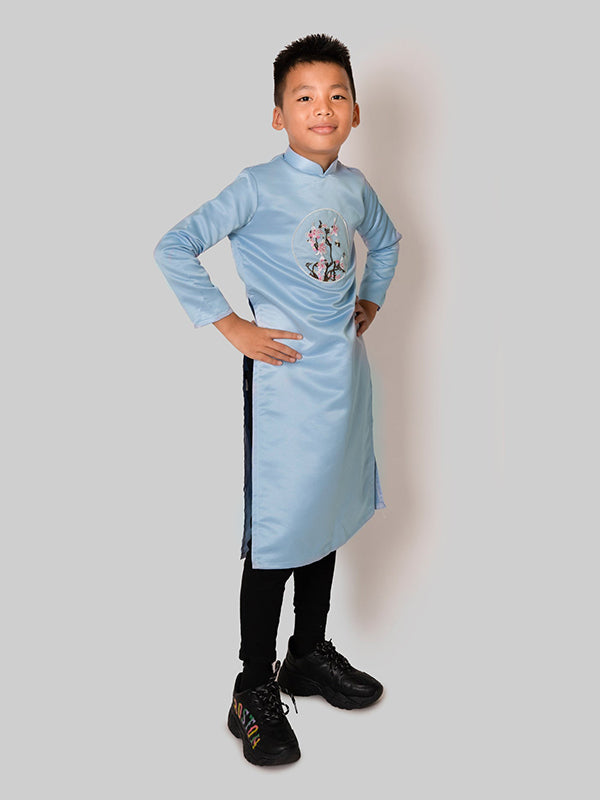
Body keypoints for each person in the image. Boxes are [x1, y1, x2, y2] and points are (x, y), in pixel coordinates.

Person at [154, 33, 402, 767]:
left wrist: (370, 299)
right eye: (304, 97)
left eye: (336, 95)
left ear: (355, 110)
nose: (322, 108)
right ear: (277, 115)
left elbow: (386, 243)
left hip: (343, 378)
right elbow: (174, 244)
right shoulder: (257, 186)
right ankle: (252, 686)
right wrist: (231, 324)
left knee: (325, 511)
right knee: (277, 531)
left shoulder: (354, 188)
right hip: (284, 386)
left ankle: (306, 653)